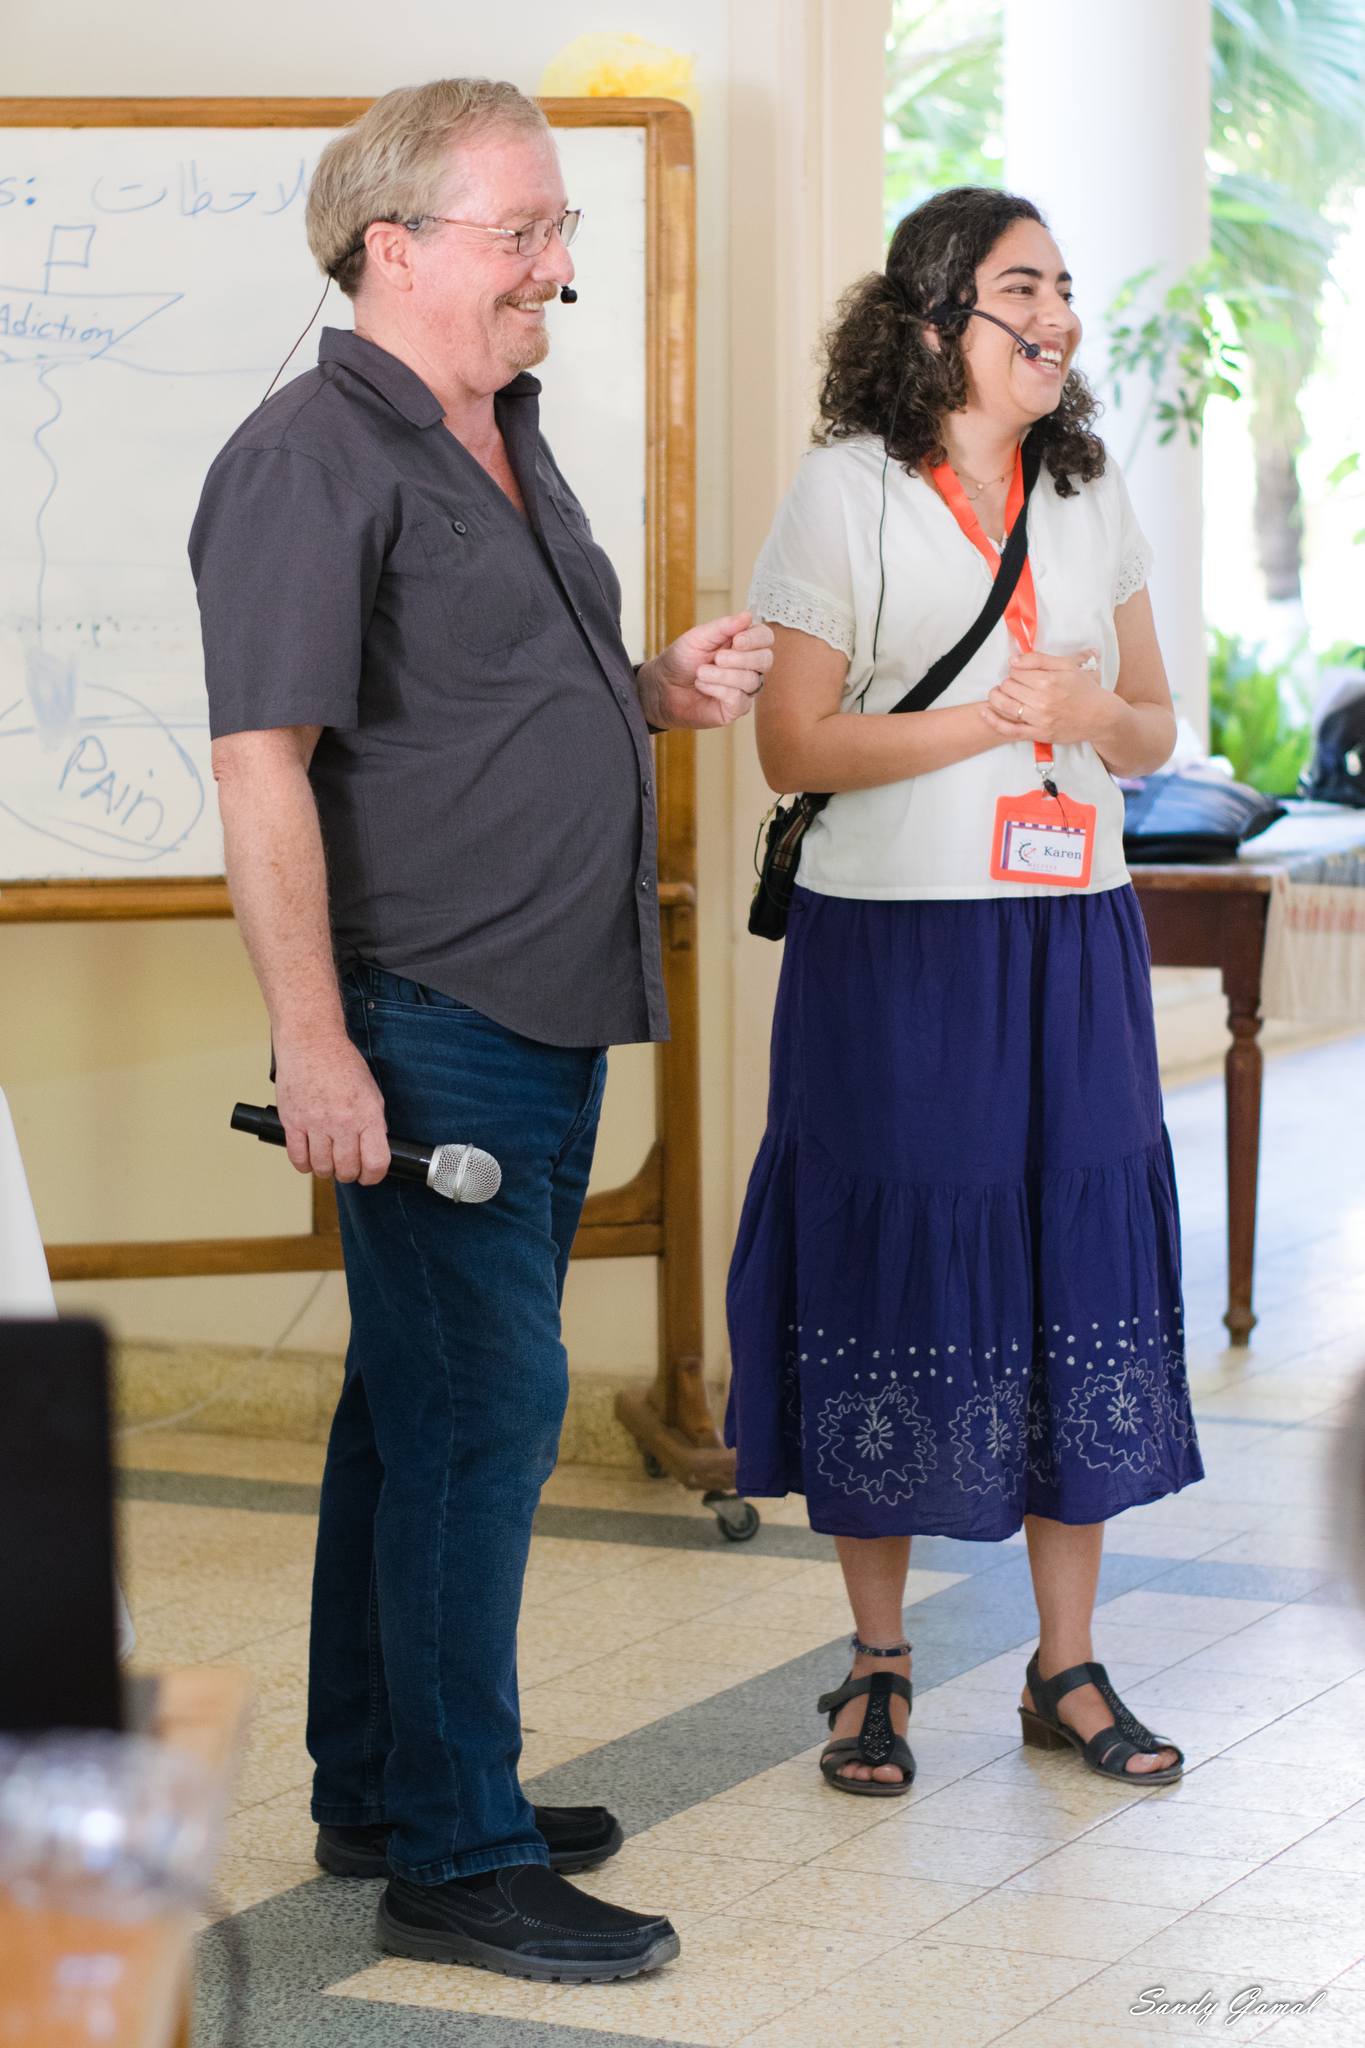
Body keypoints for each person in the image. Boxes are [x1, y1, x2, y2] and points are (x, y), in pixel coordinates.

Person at [190, 78, 769, 1981]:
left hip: (536, 1001)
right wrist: (315, 1044)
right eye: (522, 232)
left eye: (557, 231)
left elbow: (473, 694)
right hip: (421, 1011)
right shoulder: (307, 458)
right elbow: (262, 767)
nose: (554, 267)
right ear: (395, 246)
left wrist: (649, 689)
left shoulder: (504, 427)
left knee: (411, 1402)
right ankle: (457, 1850)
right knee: (485, 1411)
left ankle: (380, 1784)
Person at [727, 187, 1202, 1797]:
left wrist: (1089, 716)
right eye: (1021, 289)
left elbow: (1153, 726)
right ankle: (877, 1663)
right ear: (934, 323)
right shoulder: (841, 494)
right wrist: (983, 724)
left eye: (1062, 286)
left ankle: (1065, 1666)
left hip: (1071, 929)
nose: (1056, 316)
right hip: (894, 942)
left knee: (1075, 1261)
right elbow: (791, 744)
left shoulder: (1086, 488)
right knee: (889, 1266)